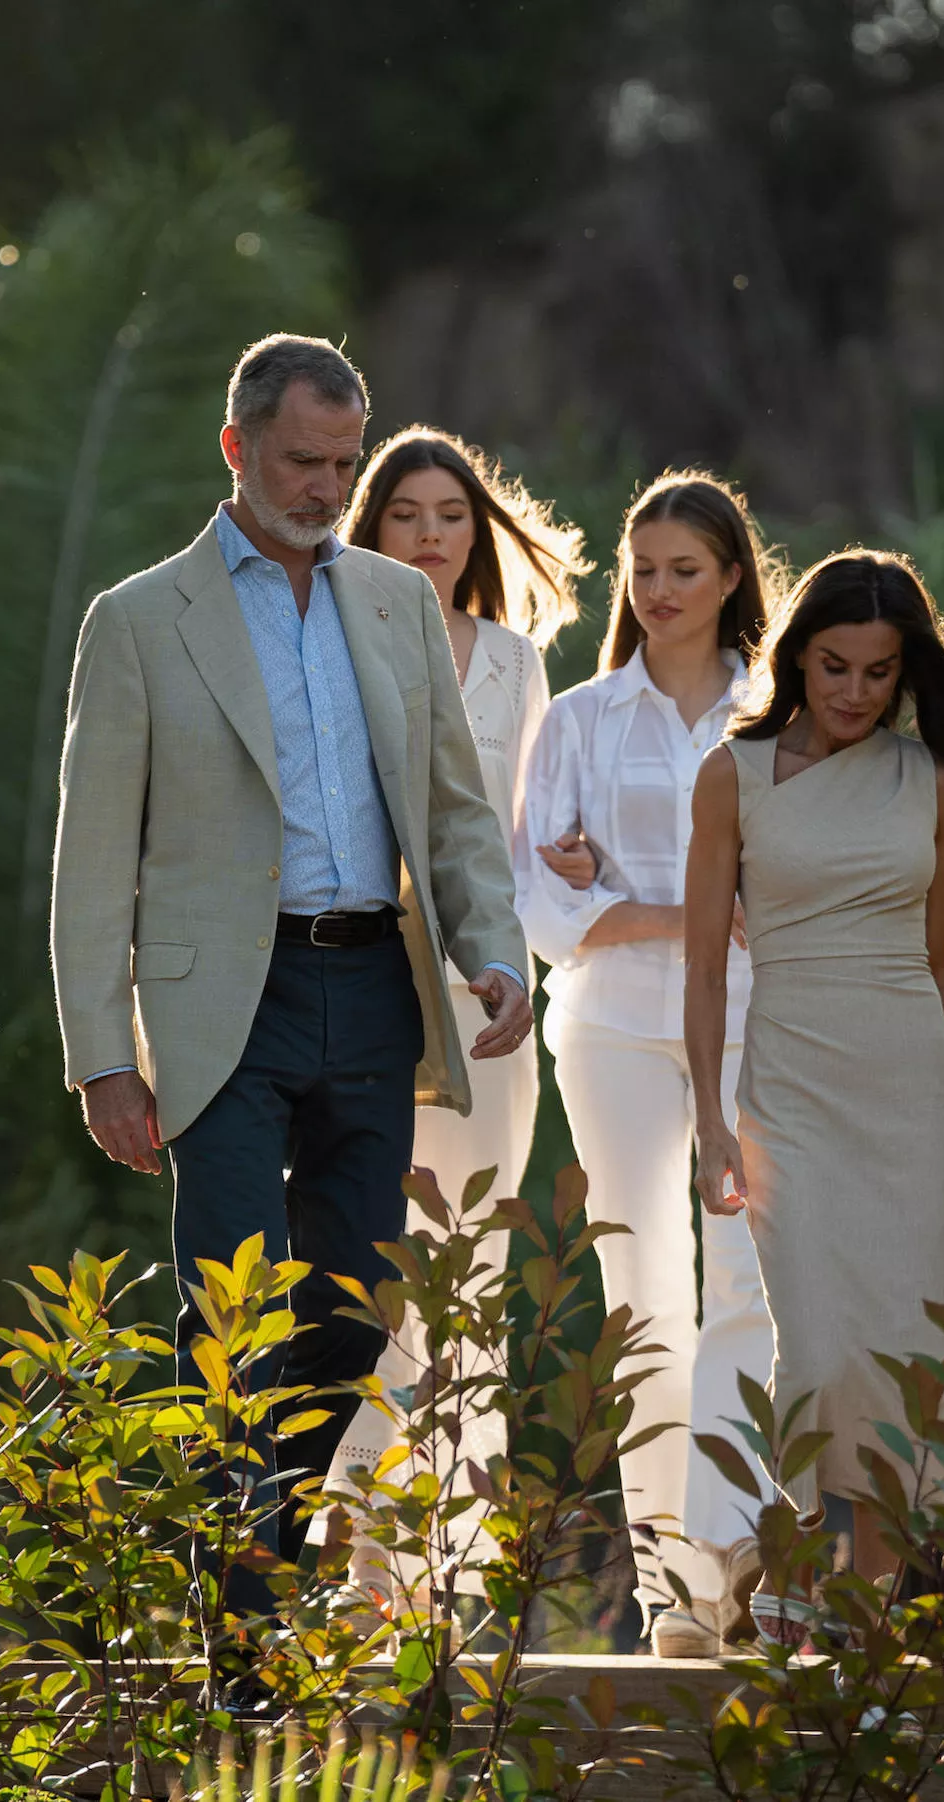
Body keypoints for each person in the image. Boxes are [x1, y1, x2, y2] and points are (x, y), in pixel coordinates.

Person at [50, 334, 533, 1587]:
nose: (324, 487)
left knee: (356, 1306)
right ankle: (244, 1607)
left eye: (342, 462)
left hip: (372, 987)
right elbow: (92, 860)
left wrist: (496, 948)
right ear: (237, 448)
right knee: (231, 1303)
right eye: (301, 460)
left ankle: (260, 1538)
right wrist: (103, 1054)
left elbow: (454, 805)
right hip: (223, 1002)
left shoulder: (394, 599)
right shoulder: (140, 620)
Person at [683, 549, 944, 1644]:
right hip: (792, 1088)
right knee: (818, 1343)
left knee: (913, 1343)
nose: (854, 691)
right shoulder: (732, 776)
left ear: (906, 672)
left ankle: (859, 1597)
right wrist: (712, 1121)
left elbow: (934, 955)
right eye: (832, 665)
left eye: (877, 671)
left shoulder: (933, 778)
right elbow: (705, 966)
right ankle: (793, 1548)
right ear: (793, 656)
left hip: (910, 1088)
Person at [321, 427, 592, 1612]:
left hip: (483, 997)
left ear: (475, 532)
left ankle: (445, 1569)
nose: (430, 535)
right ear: (369, 529)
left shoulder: (516, 662)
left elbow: (517, 842)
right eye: (404, 515)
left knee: (469, 1273)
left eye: (449, 515)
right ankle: (363, 1551)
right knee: (370, 1267)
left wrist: (567, 863)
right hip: (358, 986)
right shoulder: (327, 637)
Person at [514, 471, 778, 1657]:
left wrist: (622, 892)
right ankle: (674, 1588)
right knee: (643, 1295)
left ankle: (733, 1559)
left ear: (731, 576)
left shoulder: (777, 716)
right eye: (643, 570)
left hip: (758, 1024)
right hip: (611, 1029)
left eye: (684, 569)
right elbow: (537, 903)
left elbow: (790, 887)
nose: (659, 590)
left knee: (747, 1277)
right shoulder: (575, 719)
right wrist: (680, 915)